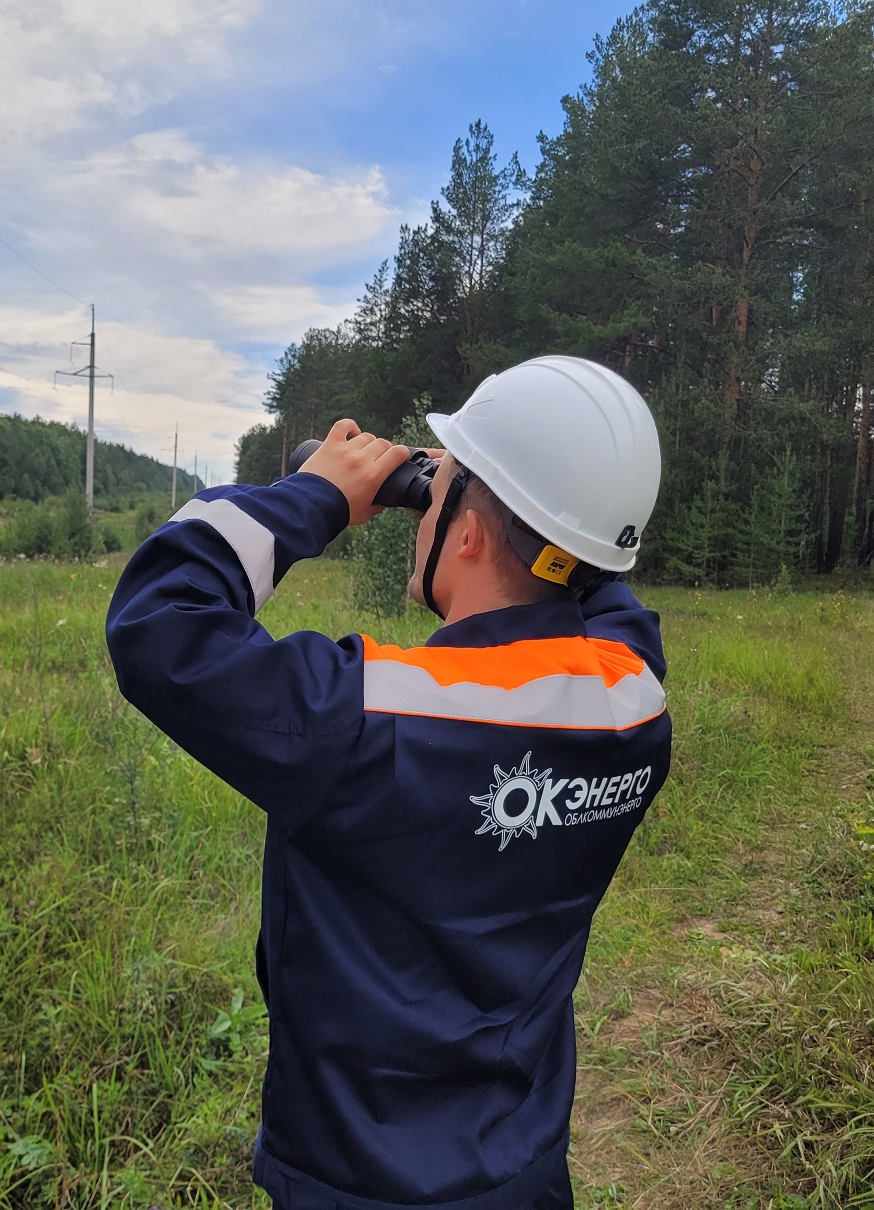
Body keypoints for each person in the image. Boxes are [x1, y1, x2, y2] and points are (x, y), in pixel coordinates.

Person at [106, 356, 671, 1210]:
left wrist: (318, 494)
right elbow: (591, 581)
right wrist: (473, 493)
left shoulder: (371, 722)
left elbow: (160, 621)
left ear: (470, 535)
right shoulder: (632, 703)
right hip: (521, 1166)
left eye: (439, 497)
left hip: (360, 1176)